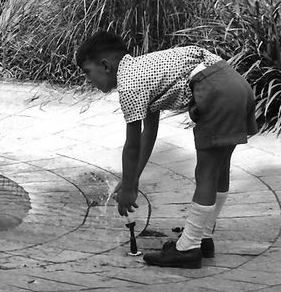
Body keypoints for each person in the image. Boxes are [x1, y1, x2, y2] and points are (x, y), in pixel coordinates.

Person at [76, 30, 256, 269]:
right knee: (219, 170)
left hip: (216, 92)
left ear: (105, 66)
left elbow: (132, 144)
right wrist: (133, 178)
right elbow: (148, 133)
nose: (89, 80)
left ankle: (188, 249)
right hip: (234, 84)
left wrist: (129, 188)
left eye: (88, 73)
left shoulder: (129, 85)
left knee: (206, 173)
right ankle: (202, 238)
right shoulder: (142, 69)